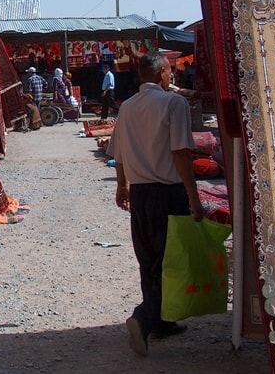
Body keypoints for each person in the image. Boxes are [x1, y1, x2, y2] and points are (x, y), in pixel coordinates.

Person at [105, 52, 205, 357]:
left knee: (148, 259)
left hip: (141, 194)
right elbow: (180, 153)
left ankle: (161, 322)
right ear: (163, 72)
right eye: (169, 71)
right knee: (170, 260)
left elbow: (118, 151)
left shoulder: (128, 108)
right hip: (167, 191)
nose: (170, 76)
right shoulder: (173, 103)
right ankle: (145, 318)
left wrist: (122, 186)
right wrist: (193, 196)